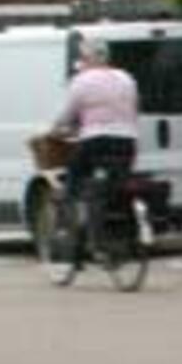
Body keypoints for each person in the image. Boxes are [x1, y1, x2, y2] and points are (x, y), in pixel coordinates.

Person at [51, 38, 140, 271]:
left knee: (74, 179)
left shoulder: (82, 81)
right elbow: (134, 108)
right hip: (127, 142)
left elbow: (68, 114)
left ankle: (76, 227)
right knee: (116, 186)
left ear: (87, 59)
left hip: (95, 141)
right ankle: (117, 227)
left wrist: (55, 130)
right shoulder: (126, 78)